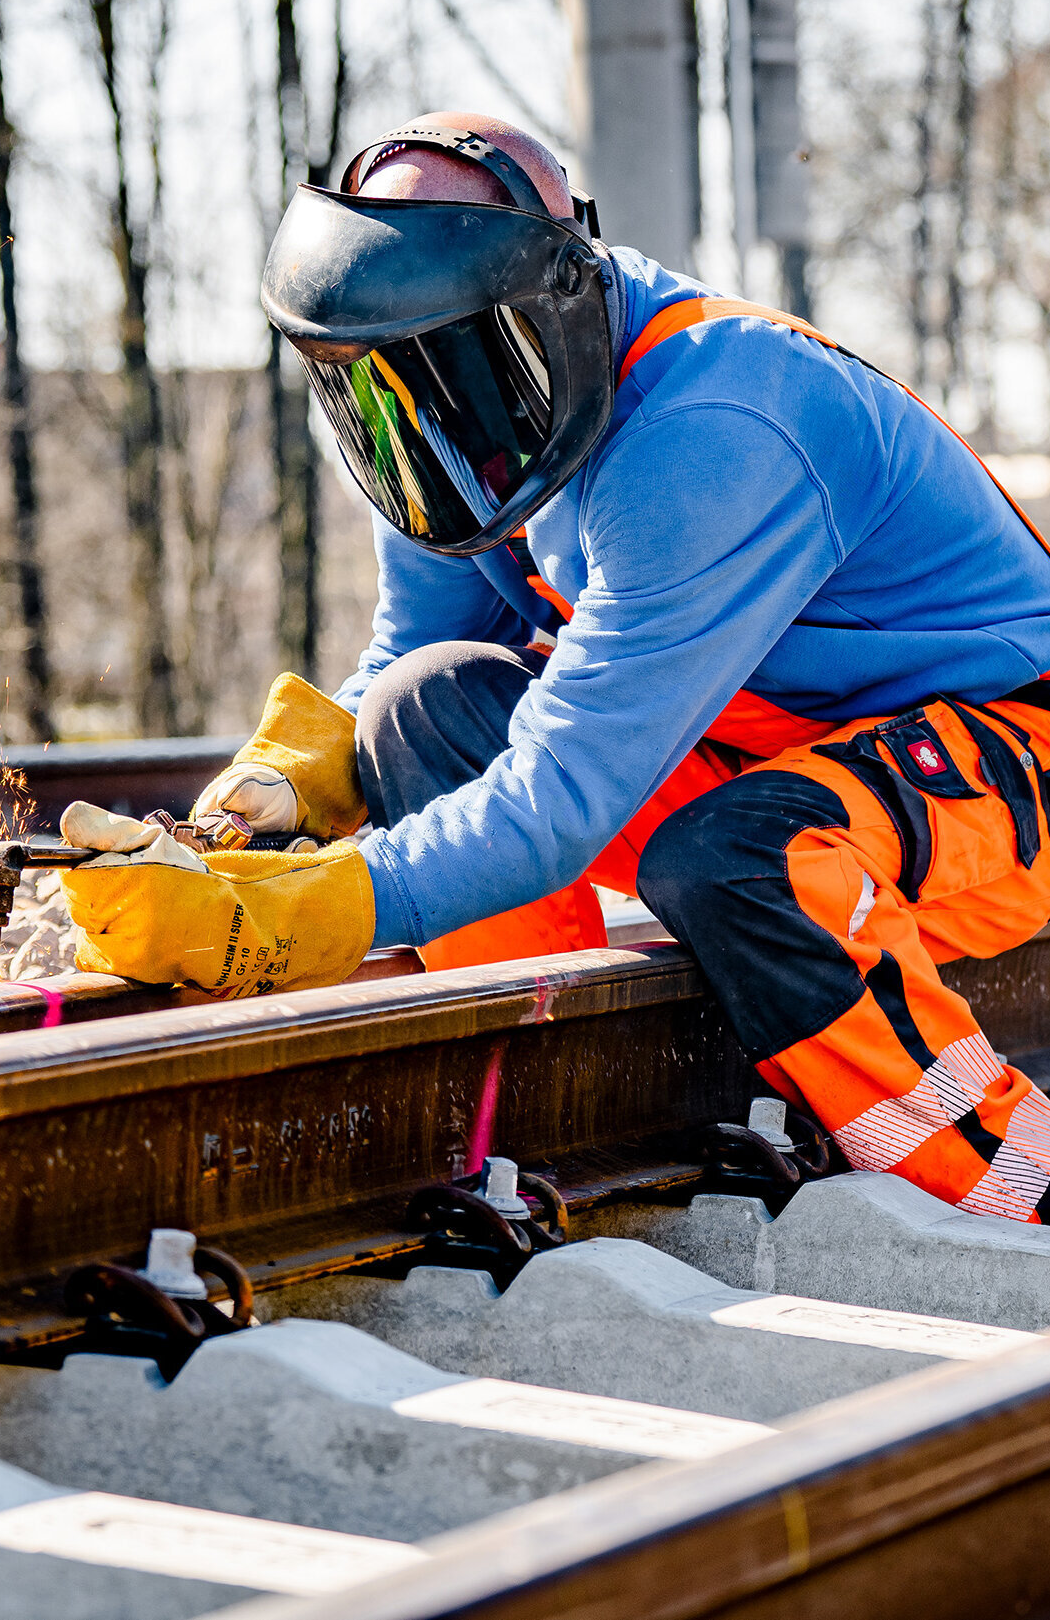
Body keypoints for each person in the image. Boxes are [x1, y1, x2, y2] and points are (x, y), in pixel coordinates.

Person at [58, 110, 1050, 1224]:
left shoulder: (719, 425)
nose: (428, 409)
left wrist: (323, 907)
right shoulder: (444, 412)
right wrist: (280, 788)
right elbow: (407, 657)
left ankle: (1015, 1181)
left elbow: (563, 797)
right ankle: (539, 1121)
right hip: (761, 743)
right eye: (388, 379)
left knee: (748, 860)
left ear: (548, 305)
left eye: (446, 365)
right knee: (422, 708)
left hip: (1005, 762)